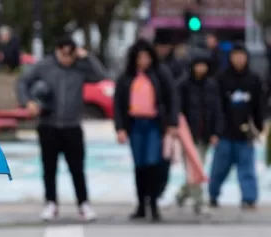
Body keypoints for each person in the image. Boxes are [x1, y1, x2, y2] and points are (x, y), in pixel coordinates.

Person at [17, 35, 106, 222]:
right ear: (57, 51)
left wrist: (87, 56)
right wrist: (28, 102)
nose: (66, 58)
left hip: (72, 125)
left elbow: (100, 75)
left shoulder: (80, 67)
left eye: (70, 54)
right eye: (63, 53)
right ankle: (51, 203)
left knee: (77, 168)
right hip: (48, 124)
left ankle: (83, 203)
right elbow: (23, 82)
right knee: (49, 167)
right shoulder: (44, 66)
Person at [114, 39, 179, 222]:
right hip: (135, 124)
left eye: (146, 57)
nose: (143, 61)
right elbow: (118, 105)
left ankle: (154, 203)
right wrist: (119, 128)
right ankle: (142, 204)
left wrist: (172, 122)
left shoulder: (161, 74)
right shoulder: (126, 77)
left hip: (154, 124)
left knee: (154, 163)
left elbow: (172, 97)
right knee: (139, 165)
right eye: (139, 57)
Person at [211, 43, 264, 210]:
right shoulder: (221, 79)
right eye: (236, 55)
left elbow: (259, 106)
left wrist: (258, 126)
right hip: (225, 132)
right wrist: (216, 129)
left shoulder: (254, 80)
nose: (239, 59)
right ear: (230, 57)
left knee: (247, 169)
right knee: (219, 168)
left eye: (242, 55)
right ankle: (213, 195)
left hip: (245, 133)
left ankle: (249, 198)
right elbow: (215, 106)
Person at [176, 54, 223, 214]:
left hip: (205, 135)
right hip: (188, 135)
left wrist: (216, 132)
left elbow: (217, 110)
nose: (201, 68)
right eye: (198, 65)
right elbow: (178, 110)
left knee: (198, 169)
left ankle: (182, 194)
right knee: (194, 170)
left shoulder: (211, 85)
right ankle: (199, 202)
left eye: (204, 65)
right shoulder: (183, 85)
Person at [152, 32, 186, 200]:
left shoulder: (177, 66)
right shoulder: (148, 65)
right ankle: (149, 193)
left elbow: (177, 95)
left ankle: (159, 189)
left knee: (166, 158)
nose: (162, 49)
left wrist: (174, 119)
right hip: (149, 118)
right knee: (148, 160)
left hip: (169, 120)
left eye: (165, 46)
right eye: (159, 46)